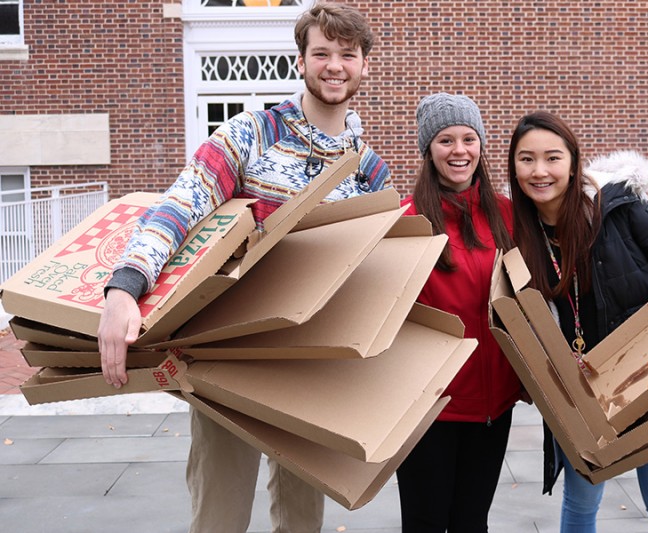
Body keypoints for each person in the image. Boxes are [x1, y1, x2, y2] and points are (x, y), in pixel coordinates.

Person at [97, 3, 389, 532]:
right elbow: (179, 207)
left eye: (347, 54)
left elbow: (382, 271)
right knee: (220, 515)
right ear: (301, 60)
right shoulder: (251, 132)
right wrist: (125, 288)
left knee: (302, 519)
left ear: (364, 65)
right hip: (227, 355)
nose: (334, 65)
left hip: (313, 364)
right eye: (321, 52)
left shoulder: (369, 170)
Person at [507, 111, 648, 532]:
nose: (540, 171)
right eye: (526, 159)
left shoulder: (622, 209)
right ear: (513, 166)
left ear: (574, 163)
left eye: (552, 158)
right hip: (579, 399)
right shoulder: (516, 235)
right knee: (580, 507)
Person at [396, 92, 522, 532]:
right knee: (425, 523)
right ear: (428, 149)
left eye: (469, 138)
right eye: (446, 140)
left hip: (493, 407)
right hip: (430, 410)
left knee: (472, 522)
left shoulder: (507, 216)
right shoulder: (405, 223)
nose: (459, 151)